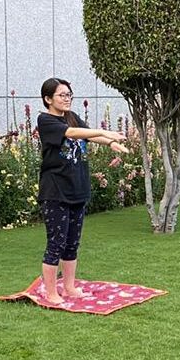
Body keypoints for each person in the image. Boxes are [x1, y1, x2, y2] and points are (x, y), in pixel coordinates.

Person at [35, 78, 128, 306]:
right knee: (56, 243)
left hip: (77, 189)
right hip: (55, 192)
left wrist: (109, 142)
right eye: (62, 95)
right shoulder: (46, 120)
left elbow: (87, 134)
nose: (67, 99)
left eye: (69, 95)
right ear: (48, 99)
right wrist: (108, 132)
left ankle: (69, 287)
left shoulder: (72, 116)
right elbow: (73, 132)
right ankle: (51, 292)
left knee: (72, 243)